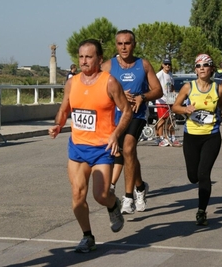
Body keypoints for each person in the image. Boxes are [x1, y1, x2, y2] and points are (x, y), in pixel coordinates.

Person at [48, 39, 132, 253]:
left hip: (102, 148)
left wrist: (115, 134)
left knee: (100, 195)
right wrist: (58, 124)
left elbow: (127, 111)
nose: (84, 61)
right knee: (77, 194)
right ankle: (87, 236)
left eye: (89, 57)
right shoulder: (72, 83)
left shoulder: (109, 82)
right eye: (81, 57)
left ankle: (113, 205)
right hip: (77, 147)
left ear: (99, 59)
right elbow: (65, 108)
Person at [101, 30, 163, 214]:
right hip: (116, 117)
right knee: (127, 155)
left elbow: (158, 90)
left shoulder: (143, 65)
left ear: (134, 44)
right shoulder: (107, 66)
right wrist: (117, 96)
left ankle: (128, 197)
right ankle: (141, 187)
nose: (123, 47)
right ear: (116, 45)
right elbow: (99, 90)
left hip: (137, 115)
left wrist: (142, 97)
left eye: (127, 43)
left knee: (128, 148)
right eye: (120, 44)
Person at [172, 54, 222, 226]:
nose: (201, 68)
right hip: (191, 136)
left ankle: (201, 211)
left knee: (204, 174)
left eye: (205, 65)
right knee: (193, 177)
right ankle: (200, 198)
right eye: (198, 65)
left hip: (211, 136)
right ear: (195, 69)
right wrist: (185, 109)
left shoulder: (218, 88)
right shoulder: (188, 87)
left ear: (211, 69)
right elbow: (175, 107)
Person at [155, 57, 181, 147]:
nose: (167, 66)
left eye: (169, 64)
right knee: (162, 120)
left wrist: (175, 96)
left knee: (171, 119)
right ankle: (161, 138)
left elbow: (172, 87)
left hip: (169, 100)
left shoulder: (170, 75)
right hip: (161, 100)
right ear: (162, 65)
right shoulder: (159, 74)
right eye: (165, 64)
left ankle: (172, 137)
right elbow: (152, 84)